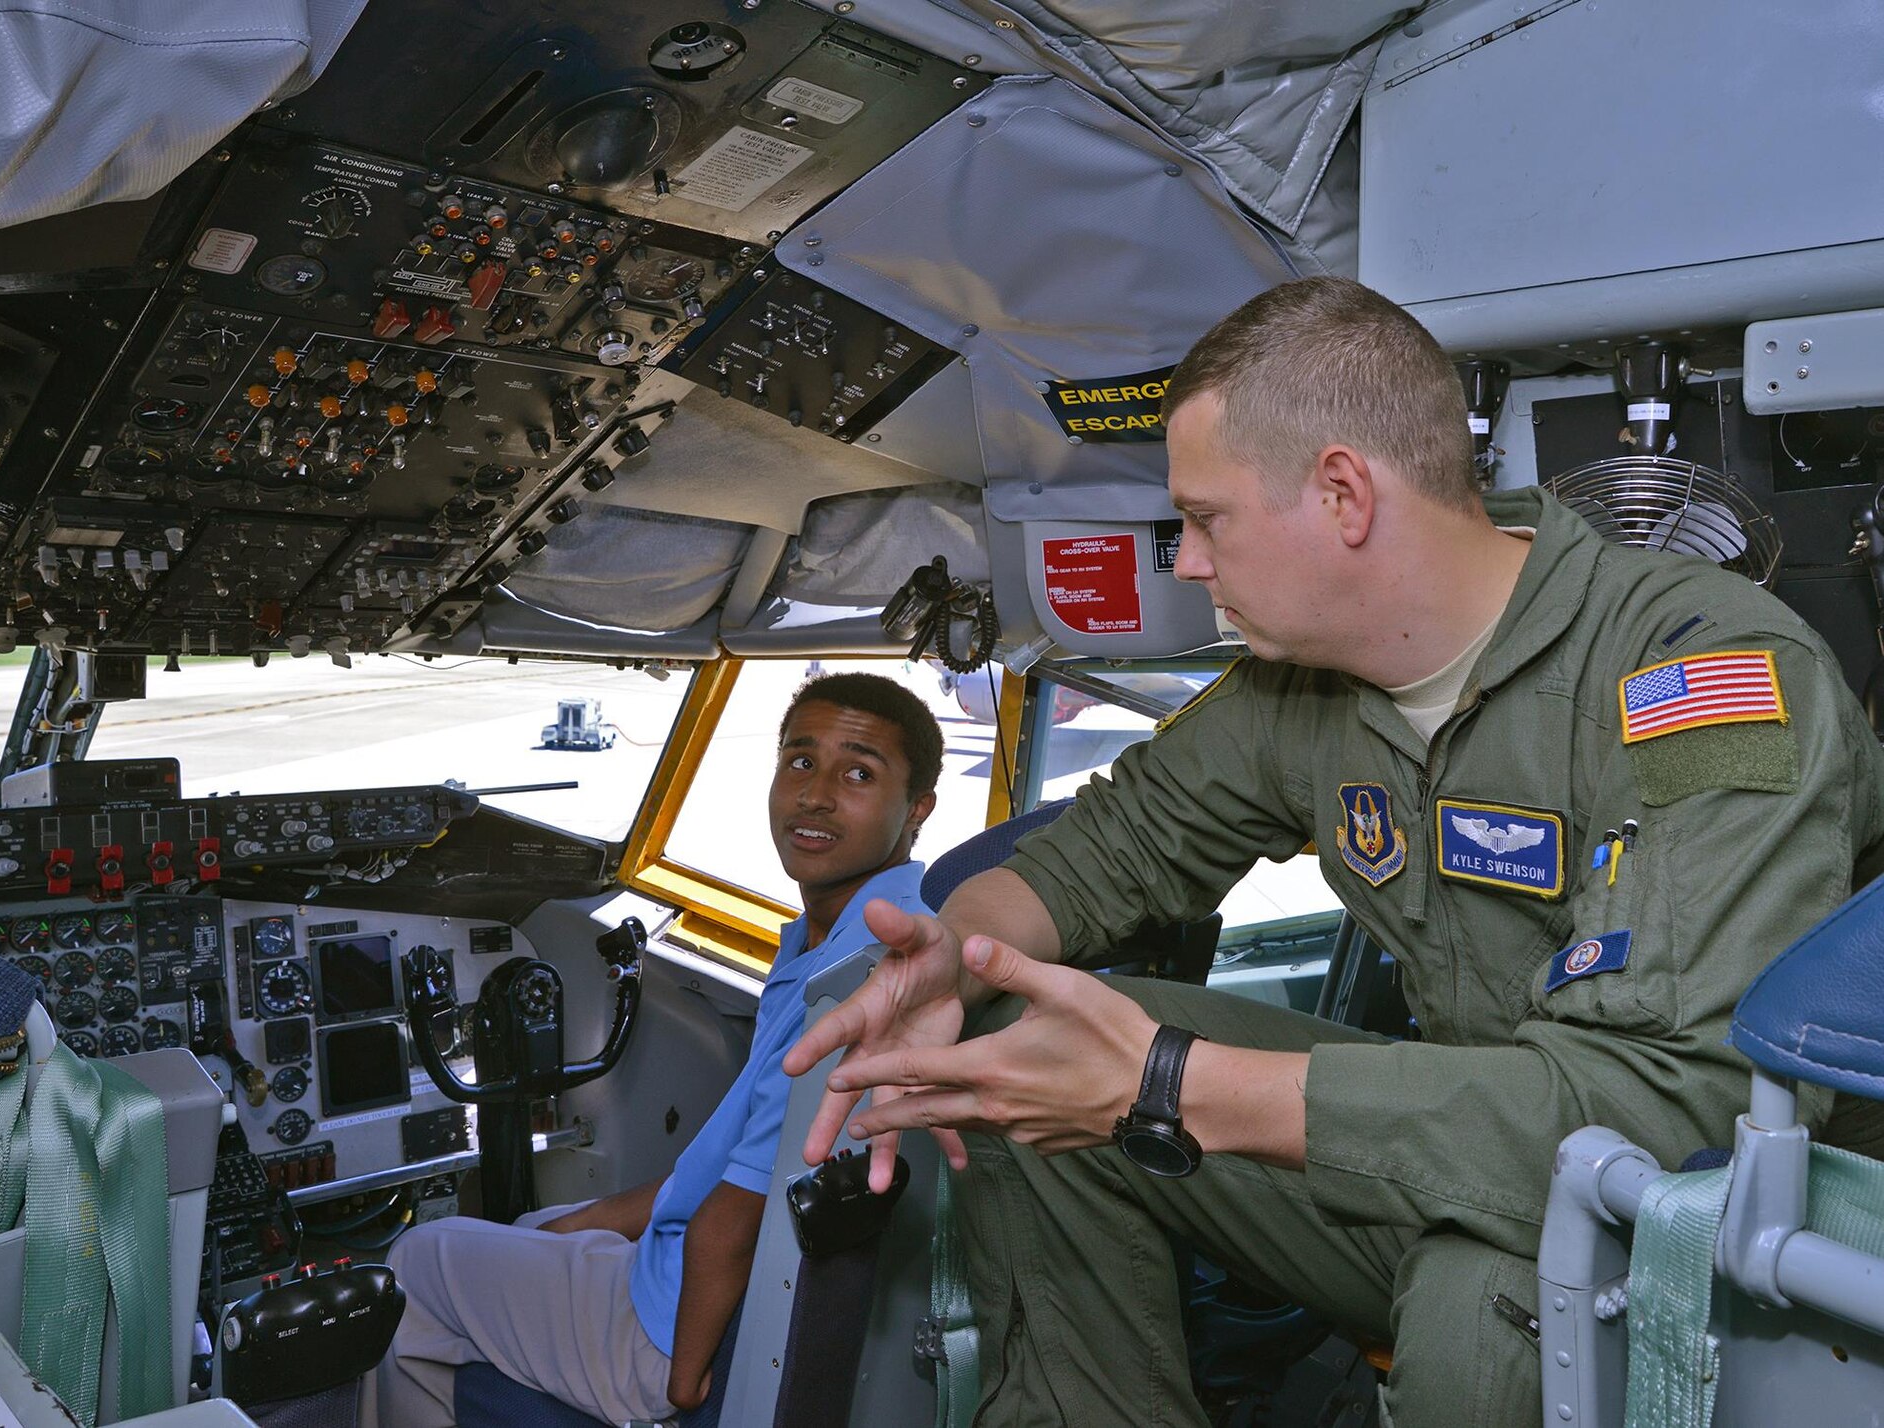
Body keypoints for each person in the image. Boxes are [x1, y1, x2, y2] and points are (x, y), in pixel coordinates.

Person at [787, 276, 1884, 1426]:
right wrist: (948, 960)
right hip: (1473, 1158)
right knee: (1017, 1057)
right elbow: (1111, 848)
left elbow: (1671, 1123)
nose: (1188, 565)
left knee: (1489, 1297)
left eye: (1206, 521)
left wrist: (1168, 1083)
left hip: (1730, 1235)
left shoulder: (1699, 680)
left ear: (1341, 494)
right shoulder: (1300, 689)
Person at [361, 671, 942, 1427]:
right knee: (538, 1228)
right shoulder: (849, 929)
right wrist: (587, 1219)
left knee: (417, 1262)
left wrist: (686, 1385)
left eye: (858, 772)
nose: (816, 794)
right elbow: (722, 1168)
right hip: (673, 1271)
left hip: (671, 1328)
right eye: (801, 761)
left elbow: (740, 1209)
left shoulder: (859, 975)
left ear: (918, 809)